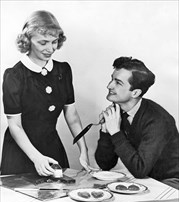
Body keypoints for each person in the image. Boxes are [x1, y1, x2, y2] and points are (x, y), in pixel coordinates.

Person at [1, 10, 92, 176]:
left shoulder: (63, 70)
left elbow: (71, 115)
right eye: (43, 42)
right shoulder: (14, 76)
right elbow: (15, 125)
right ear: (27, 41)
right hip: (20, 152)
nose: (50, 48)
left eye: (54, 42)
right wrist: (37, 158)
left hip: (51, 147)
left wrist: (84, 150)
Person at [95, 56, 179, 189]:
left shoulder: (158, 120)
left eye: (118, 82)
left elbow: (140, 169)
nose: (109, 86)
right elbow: (105, 164)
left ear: (135, 92)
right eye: (112, 79)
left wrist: (116, 132)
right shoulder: (119, 113)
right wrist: (106, 131)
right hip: (146, 181)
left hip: (171, 184)